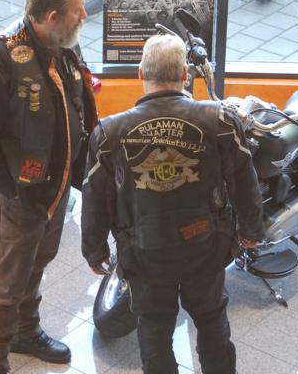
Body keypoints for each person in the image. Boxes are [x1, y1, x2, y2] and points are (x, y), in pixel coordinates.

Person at [81, 34, 263, 374]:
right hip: (205, 244)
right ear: (184, 74)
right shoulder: (221, 120)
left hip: (144, 251)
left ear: (140, 74)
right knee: (211, 320)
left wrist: (94, 249)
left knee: (153, 329)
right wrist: (251, 230)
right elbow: (244, 178)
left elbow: (95, 196)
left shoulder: (108, 133)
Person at [0, 0, 99, 374]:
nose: (84, 16)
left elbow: (78, 105)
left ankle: (25, 331)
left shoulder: (64, 43)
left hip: (55, 187)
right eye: (77, 10)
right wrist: (10, 192)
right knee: (8, 283)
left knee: (38, 261)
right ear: (52, 16)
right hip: (19, 194)